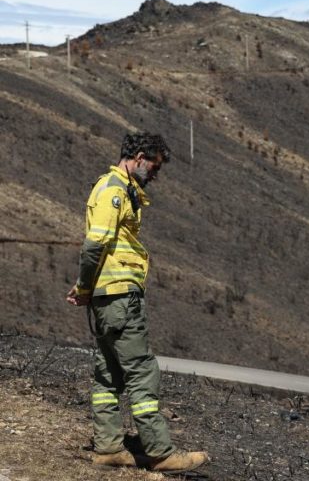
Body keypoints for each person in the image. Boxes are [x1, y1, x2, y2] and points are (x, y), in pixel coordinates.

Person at [66, 132, 208, 472]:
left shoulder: (118, 189)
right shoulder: (114, 191)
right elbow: (95, 245)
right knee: (142, 370)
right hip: (118, 297)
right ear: (141, 156)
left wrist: (86, 289)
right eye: (155, 166)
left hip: (107, 297)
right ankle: (160, 452)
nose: (156, 174)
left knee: (108, 374)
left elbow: (101, 248)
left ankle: (109, 447)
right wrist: (84, 286)